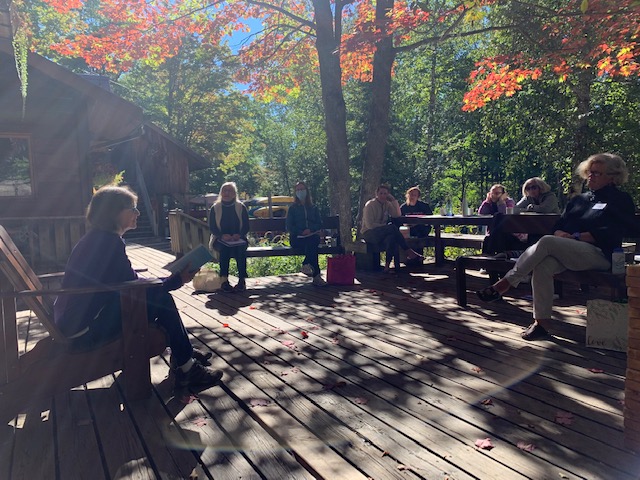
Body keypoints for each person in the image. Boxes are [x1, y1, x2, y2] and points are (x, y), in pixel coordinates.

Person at [54, 185, 223, 390]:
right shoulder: (108, 243)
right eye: (132, 208)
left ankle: (183, 355)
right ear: (113, 212)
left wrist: (170, 279)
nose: (138, 213)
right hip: (86, 331)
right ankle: (187, 366)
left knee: (155, 299)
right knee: (161, 300)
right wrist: (176, 280)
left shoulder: (98, 239)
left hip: (77, 323)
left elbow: (127, 280)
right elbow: (133, 287)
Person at [476, 153, 636, 341]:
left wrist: (575, 237)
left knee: (546, 242)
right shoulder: (579, 200)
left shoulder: (620, 200)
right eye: (590, 172)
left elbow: (613, 232)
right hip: (569, 251)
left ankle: (506, 283)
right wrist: (562, 234)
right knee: (543, 266)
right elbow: (559, 225)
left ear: (612, 177)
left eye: (597, 173)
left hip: (601, 254)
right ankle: (541, 323)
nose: (591, 176)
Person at [483, 177, 560, 256]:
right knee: (500, 223)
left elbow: (545, 209)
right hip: (533, 229)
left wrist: (530, 208)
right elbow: (514, 210)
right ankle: (495, 257)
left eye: (534, 187)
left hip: (550, 230)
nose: (531, 190)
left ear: (541, 187)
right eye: (528, 188)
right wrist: (527, 209)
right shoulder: (528, 198)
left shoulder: (550, 196)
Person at [361, 184, 424, 273]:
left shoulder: (387, 204)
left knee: (392, 237)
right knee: (392, 228)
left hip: (383, 233)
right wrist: (385, 227)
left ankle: (387, 266)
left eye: (385, 194)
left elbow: (397, 215)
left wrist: (394, 200)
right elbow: (369, 225)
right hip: (369, 234)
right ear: (377, 194)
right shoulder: (370, 205)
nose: (383, 196)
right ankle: (408, 251)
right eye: (381, 193)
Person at [209, 182, 250, 292]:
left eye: (230, 190)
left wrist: (239, 235)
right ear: (221, 192)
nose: (227, 193)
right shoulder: (215, 208)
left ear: (234, 193)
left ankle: (242, 280)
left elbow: (246, 226)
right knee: (224, 249)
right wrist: (221, 236)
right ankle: (224, 281)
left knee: (240, 249)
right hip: (220, 239)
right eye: (225, 190)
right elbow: (212, 227)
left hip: (239, 239)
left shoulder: (241, 207)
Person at [286, 181, 327, 286]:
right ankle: (316, 276)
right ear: (295, 193)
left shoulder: (313, 208)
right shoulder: (292, 209)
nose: (300, 192)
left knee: (313, 241)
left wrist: (311, 229)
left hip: (311, 236)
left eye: (302, 189)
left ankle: (306, 264)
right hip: (297, 238)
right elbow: (289, 226)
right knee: (312, 245)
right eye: (298, 190)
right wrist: (301, 232)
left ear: (307, 191)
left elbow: (319, 223)